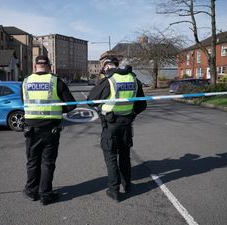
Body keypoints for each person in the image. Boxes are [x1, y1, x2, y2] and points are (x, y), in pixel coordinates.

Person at [87, 56, 147, 202]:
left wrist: (102, 107)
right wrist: (131, 114)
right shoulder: (134, 79)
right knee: (125, 156)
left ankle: (114, 190)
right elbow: (142, 104)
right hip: (126, 125)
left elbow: (90, 100)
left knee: (111, 157)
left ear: (107, 66)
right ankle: (127, 185)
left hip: (110, 125)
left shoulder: (109, 80)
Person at [21, 55, 76, 205]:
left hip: (31, 128)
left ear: (34, 66)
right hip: (51, 128)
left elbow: (24, 102)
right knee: (47, 163)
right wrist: (58, 109)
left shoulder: (25, 81)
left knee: (32, 161)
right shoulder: (56, 81)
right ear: (49, 66)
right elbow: (72, 105)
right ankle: (45, 194)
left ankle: (32, 191)